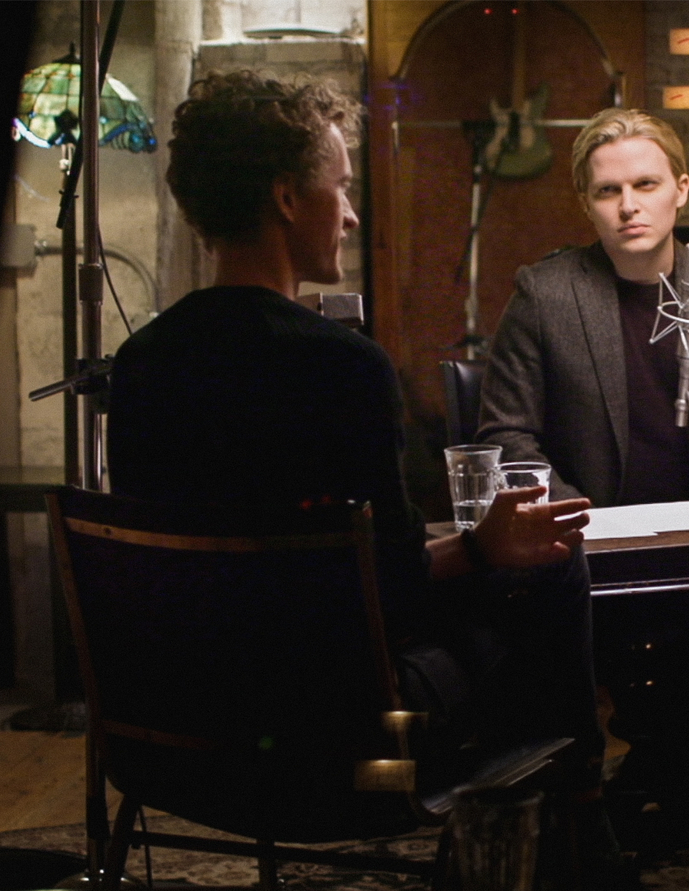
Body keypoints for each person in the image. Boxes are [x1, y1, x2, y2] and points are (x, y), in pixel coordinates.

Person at [106, 72, 628, 887]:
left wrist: (463, 547)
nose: (350, 213)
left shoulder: (140, 364)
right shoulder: (340, 367)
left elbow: (238, 569)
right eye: (342, 186)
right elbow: (391, 590)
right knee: (553, 571)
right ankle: (575, 832)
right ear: (287, 198)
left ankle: (566, 829)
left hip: (169, 737)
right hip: (339, 745)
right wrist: (482, 548)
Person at [476, 107, 689, 849]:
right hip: (590, 555)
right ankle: (664, 771)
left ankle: (644, 773)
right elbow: (506, 438)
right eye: (608, 191)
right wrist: (583, 522)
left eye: (646, 184)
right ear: (586, 203)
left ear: (681, 189)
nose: (629, 206)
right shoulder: (545, 294)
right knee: (601, 647)